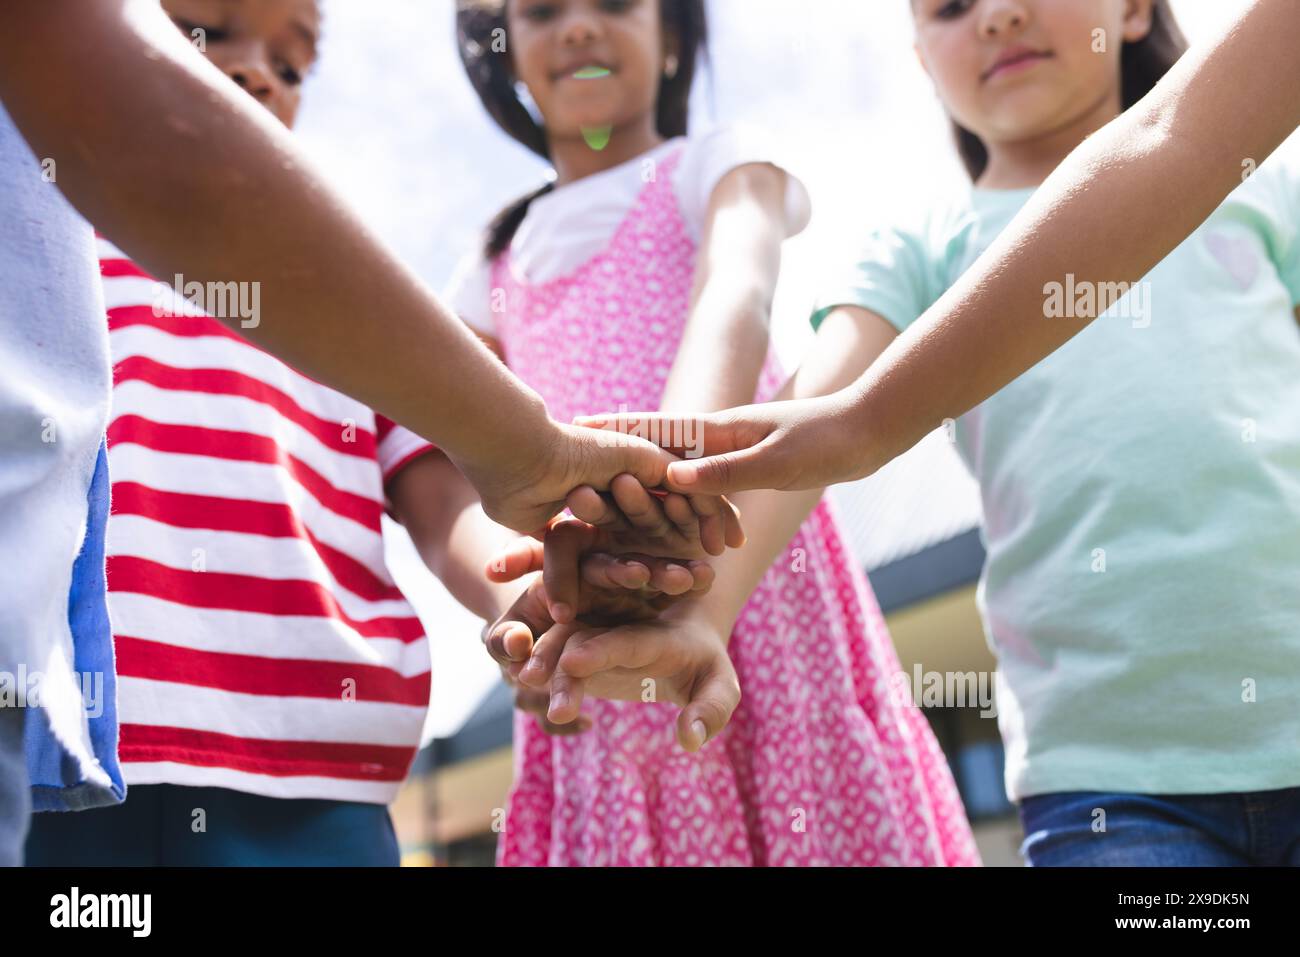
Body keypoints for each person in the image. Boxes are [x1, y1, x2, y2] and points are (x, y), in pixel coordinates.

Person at [0, 0, 735, 865]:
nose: (257, 71)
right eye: (204, 30)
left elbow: (446, 499)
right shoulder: (55, 257)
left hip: (324, 772)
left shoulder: (350, 312)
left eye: (293, 63)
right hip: (74, 744)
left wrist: (528, 600)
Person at [571, 0, 1300, 865]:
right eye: (951, 8)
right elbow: (808, 440)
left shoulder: (1257, 184)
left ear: (1135, 10)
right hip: (1110, 782)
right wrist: (704, 608)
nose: (996, 16)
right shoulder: (919, 245)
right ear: (922, 58)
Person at [452, 0, 978, 866]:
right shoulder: (490, 263)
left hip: (747, 568)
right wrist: (543, 587)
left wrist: (666, 489)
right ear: (505, 59)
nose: (579, 28)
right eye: (542, 12)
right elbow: (455, 444)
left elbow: (735, 288)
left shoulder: (718, 161)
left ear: (673, 44)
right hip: (593, 595)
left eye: (615, 5)